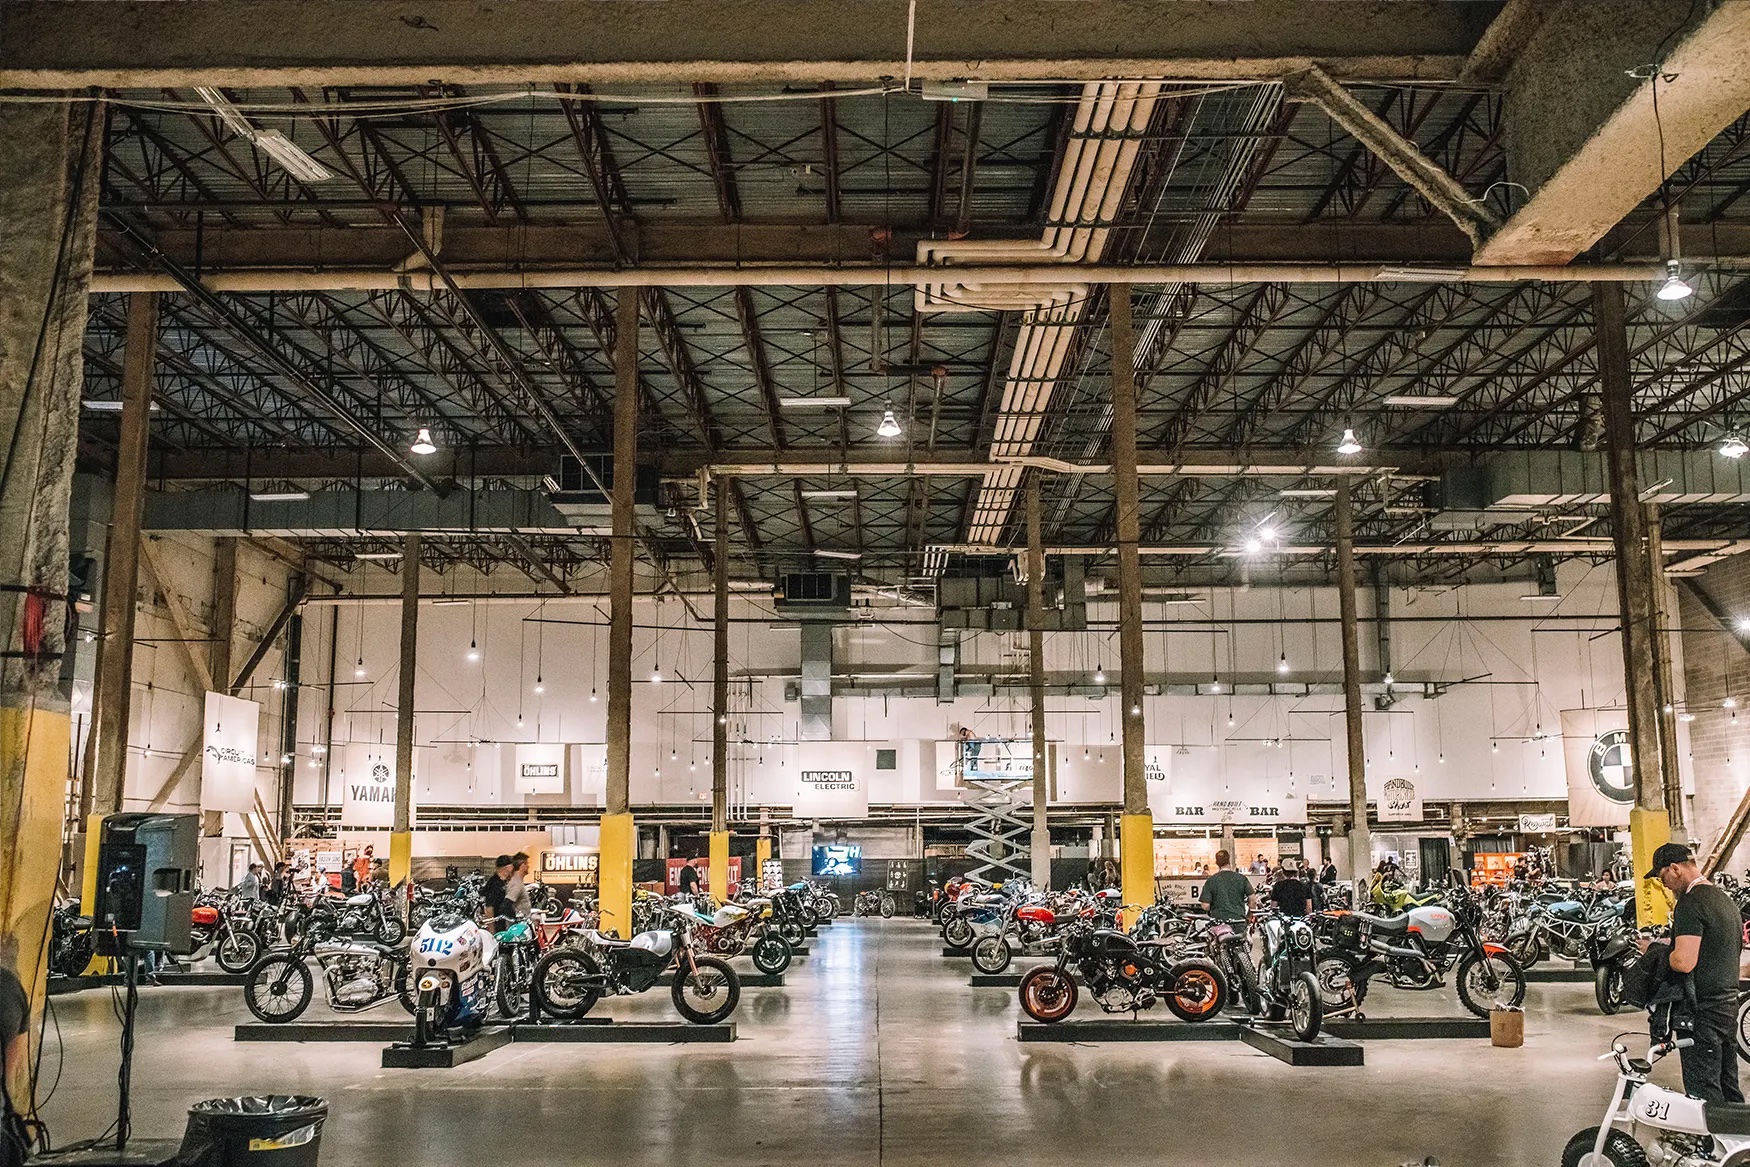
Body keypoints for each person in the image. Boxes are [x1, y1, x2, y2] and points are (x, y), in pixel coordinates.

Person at [1639, 843, 1744, 1103]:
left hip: (1702, 1011)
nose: (1664, 885)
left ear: (1675, 869)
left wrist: (1655, 951)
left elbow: (1684, 962)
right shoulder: (1724, 900)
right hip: (1728, 1005)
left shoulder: (1689, 903)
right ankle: (1736, 1141)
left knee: (1704, 1089)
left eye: (1662, 877)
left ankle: (1707, 1144)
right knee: (1727, 1083)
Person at [1199, 850, 1253, 924]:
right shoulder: (1242, 879)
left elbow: (1205, 906)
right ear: (1229, 861)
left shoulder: (1211, 881)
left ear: (1217, 863)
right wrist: (1249, 916)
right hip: (1239, 921)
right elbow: (1253, 900)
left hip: (1219, 922)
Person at [480, 856, 518, 932]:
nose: (513, 872)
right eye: (512, 869)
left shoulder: (502, 883)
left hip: (505, 924)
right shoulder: (494, 884)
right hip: (498, 927)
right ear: (506, 868)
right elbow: (489, 909)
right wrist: (492, 931)